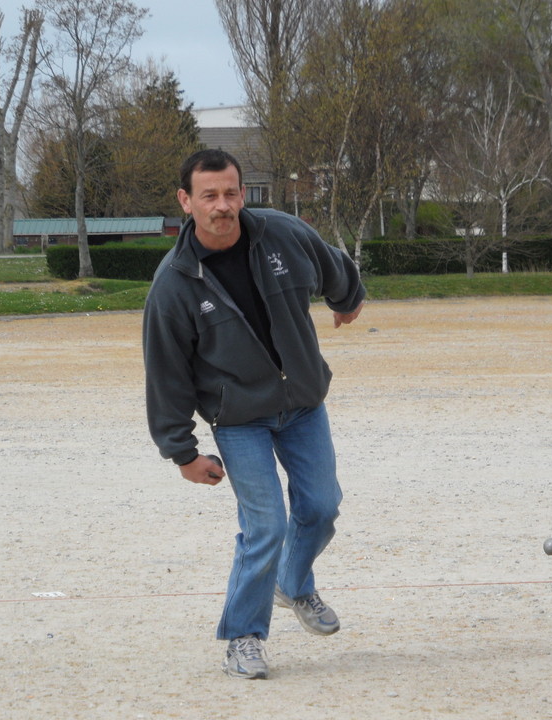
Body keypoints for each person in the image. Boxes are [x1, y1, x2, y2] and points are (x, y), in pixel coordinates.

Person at [142, 149, 365, 679]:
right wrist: (182, 452)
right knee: (265, 525)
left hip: (303, 405)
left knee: (322, 507)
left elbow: (332, 266)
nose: (223, 206)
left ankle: (293, 584)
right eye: (209, 196)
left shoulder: (282, 234)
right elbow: (165, 374)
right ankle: (244, 637)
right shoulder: (174, 284)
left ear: (243, 193)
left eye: (231, 193)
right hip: (238, 418)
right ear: (185, 201)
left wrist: (347, 297)